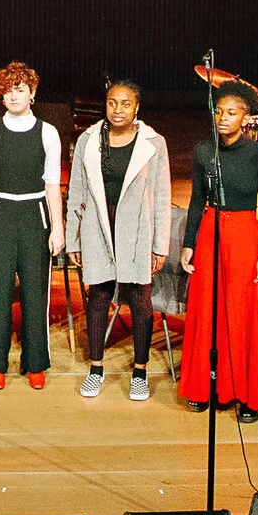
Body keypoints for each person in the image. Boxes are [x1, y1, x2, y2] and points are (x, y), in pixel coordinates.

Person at [65, 80, 173, 402]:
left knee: (140, 300)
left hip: (136, 231)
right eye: (112, 103)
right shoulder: (88, 140)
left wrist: (159, 246)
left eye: (125, 104)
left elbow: (162, 196)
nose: (118, 110)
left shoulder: (154, 143)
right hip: (98, 227)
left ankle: (140, 372)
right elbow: (77, 191)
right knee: (98, 296)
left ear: (136, 107)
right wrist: (73, 239)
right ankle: (96, 368)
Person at [178, 82, 258, 421]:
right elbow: (196, 200)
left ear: (245, 118)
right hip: (210, 230)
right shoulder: (204, 151)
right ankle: (203, 387)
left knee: (241, 311)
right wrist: (188, 243)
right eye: (219, 111)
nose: (222, 118)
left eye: (231, 113)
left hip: (245, 234)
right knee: (206, 309)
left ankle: (244, 393)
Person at [0, 62, 64, 388]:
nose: (13, 96)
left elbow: (52, 184)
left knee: (35, 294)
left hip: (35, 216)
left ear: (32, 93)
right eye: (8, 90)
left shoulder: (48, 133)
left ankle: (35, 362)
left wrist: (57, 227)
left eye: (20, 89)